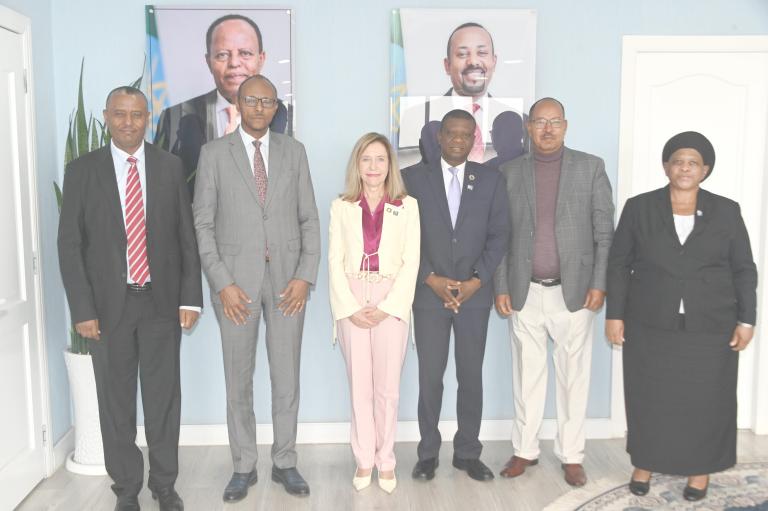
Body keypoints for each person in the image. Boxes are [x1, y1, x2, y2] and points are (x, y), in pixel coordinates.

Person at [58, 86, 203, 511]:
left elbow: (185, 237)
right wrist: (82, 310)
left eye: (136, 114)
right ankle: (125, 490)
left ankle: (164, 485)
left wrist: (190, 300)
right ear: (106, 116)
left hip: (160, 305)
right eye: (119, 114)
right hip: (107, 309)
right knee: (115, 403)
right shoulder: (83, 170)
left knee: (163, 401)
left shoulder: (169, 166)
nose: (128, 122)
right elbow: (69, 245)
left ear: (146, 117)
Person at [605, 131, 757, 501]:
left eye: (693, 162)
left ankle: (699, 470)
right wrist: (615, 314)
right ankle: (644, 463)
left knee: (706, 401)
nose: (685, 167)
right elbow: (619, 263)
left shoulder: (727, 210)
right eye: (678, 160)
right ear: (665, 166)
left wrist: (747, 320)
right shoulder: (640, 207)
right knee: (649, 396)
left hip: (711, 325)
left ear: (705, 169)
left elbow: (744, 269)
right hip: (650, 320)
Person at [193, 74, 320, 502]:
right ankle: (243, 466)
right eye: (252, 100)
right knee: (238, 380)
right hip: (236, 288)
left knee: (287, 379)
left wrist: (304, 276)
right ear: (238, 103)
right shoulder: (213, 155)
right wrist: (222, 283)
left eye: (268, 101)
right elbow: (203, 225)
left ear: (275, 106)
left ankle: (285, 461)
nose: (260, 108)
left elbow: (309, 220)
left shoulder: (294, 152)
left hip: (288, 284)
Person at [493, 97, 615, 487]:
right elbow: (499, 236)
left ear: (566, 125)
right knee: (527, 375)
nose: (547, 129)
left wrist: (600, 283)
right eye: (539, 122)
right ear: (529, 127)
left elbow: (603, 233)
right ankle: (525, 450)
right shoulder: (508, 172)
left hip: (575, 291)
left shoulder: (590, 167)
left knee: (573, 377)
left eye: (555, 122)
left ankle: (572, 454)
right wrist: (500, 285)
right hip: (524, 291)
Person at [403, 109, 510, 483]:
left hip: (474, 295)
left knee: (470, 376)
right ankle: (427, 453)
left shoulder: (491, 180)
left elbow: (499, 236)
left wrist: (475, 281)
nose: (459, 141)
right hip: (429, 295)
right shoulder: (411, 179)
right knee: (430, 377)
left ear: (474, 139)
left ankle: (467, 452)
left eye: (467, 135)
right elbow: (402, 237)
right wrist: (429, 278)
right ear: (440, 137)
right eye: (452, 133)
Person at [328, 133, 420, 494]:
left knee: (387, 389)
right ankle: (364, 458)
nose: (373, 167)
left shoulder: (407, 205)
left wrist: (388, 307)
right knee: (360, 388)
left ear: (390, 165)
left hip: (390, 297)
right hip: (352, 295)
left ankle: (386, 460)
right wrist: (350, 307)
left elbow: (411, 261)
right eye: (366, 159)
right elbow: (334, 261)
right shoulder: (342, 205)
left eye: (380, 159)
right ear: (357, 164)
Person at [154, 14, 290, 197]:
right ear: (208, 61)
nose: (234, 63)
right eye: (222, 55)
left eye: (245, 53)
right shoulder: (175, 117)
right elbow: (163, 189)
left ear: (261, 58)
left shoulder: (286, 115)